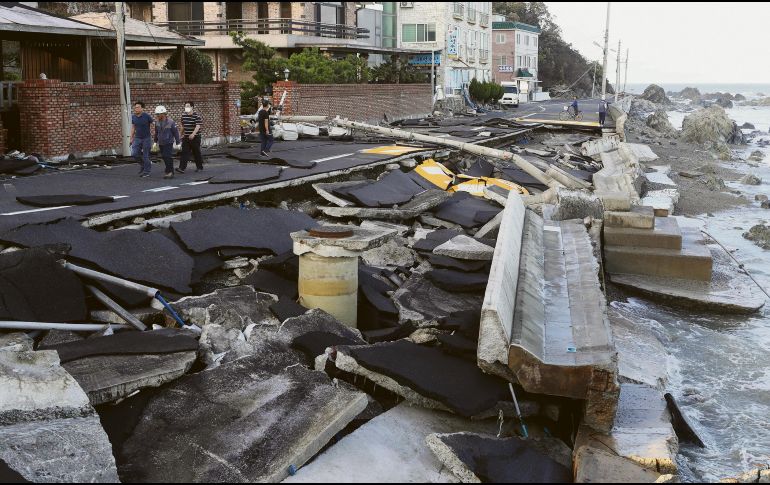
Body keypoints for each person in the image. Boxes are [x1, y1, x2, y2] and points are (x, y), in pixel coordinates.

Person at [153, 105, 181, 179]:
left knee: (167, 156)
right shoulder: (157, 122)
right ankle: (168, 170)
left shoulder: (171, 122)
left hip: (168, 142)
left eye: (158, 114)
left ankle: (170, 172)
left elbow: (176, 133)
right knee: (164, 157)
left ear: (163, 114)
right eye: (156, 114)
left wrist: (178, 143)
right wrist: (155, 142)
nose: (157, 116)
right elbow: (156, 133)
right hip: (161, 142)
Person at [178, 101, 204, 173]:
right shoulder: (183, 115)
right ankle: (181, 168)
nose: (186, 108)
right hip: (186, 137)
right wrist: (180, 134)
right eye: (185, 106)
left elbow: (198, 126)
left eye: (188, 106)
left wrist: (193, 134)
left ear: (192, 107)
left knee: (196, 152)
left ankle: (199, 167)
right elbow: (182, 126)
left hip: (195, 137)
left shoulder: (196, 116)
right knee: (184, 152)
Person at [130, 101, 154, 178]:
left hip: (146, 138)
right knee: (134, 153)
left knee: (145, 156)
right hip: (137, 138)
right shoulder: (133, 117)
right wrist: (131, 138)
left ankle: (147, 172)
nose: (136, 109)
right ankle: (143, 165)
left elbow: (153, 124)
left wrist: (155, 134)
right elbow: (133, 127)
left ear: (142, 108)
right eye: (135, 107)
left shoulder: (147, 116)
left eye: (138, 107)